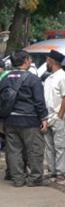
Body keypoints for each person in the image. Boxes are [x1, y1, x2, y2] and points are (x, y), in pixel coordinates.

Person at [1, 51, 48, 187]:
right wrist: (44, 118)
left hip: (10, 121)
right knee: (34, 149)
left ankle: (18, 179)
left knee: (14, 150)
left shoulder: (5, 78)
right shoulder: (33, 79)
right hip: (29, 121)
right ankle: (35, 178)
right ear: (26, 61)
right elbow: (39, 101)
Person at [43, 50, 65, 182]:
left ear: (52, 62)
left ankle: (61, 172)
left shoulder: (64, 77)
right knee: (49, 146)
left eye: (47, 60)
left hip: (58, 116)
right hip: (48, 116)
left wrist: (60, 116)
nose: (46, 63)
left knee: (60, 145)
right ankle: (52, 170)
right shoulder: (49, 78)